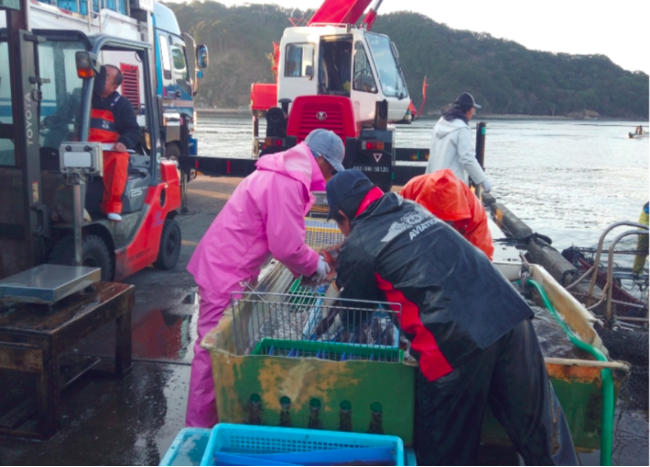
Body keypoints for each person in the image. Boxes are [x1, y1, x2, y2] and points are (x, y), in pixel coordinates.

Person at [326, 170, 578, 466]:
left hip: (454, 344)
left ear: (343, 215)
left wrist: (334, 304)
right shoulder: (411, 208)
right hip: (509, 315)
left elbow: (355, 313)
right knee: (543, 438)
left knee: (445, 453)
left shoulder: (359, 244)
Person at [185, 128, 345, 428]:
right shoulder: (286, 181)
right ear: (320, 159)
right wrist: (318, 268)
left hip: (230, 267)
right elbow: (286, 245)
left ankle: (216, 421)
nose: (330, 176)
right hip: (225, 271)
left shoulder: (283, 172)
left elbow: (282, 239)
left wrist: (309, 264)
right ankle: (197, 434)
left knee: (223, 349)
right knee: (212, 353)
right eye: (332, 168)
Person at [400, 169, 494, 260]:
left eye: (445, 221)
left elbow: (482, 257)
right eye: (436, 218)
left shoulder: (476, 214)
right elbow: (396, 234)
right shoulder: (410, 191)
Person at [90, 64, 140, 222]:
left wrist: (123, 142)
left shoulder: (122, 104)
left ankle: (111, 207)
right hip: (82, 148)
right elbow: (62, 116)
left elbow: (133, 130)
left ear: (114, 87)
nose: (100, 77)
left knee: (120, 160)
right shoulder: (82, 96)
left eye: (105, 76)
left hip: (107, 152)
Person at [426, 92, 492, 192]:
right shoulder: (462, 128)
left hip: (435, 184)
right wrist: (483, 180)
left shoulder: (439, 125)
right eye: (473, 110)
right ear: (469, 110)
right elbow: (467, 158)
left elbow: (432, 157)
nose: (472, 114)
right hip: (453, 187)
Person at [632, 202, 649, 276]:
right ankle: (637, 271)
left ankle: (637, 271)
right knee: (642, 250)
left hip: (644, 227)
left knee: (642, 250)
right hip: (645, 228)